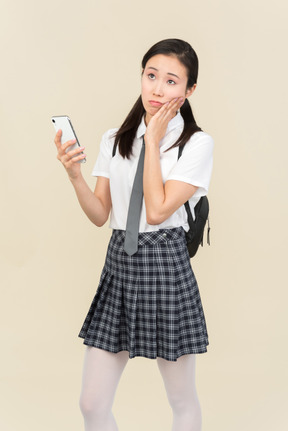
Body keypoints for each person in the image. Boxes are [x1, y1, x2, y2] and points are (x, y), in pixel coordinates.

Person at [54, 38, 213, 431]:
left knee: (181, 399)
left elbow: (158, 211)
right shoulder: (115, 139)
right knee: (91, 403)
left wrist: (154, 141)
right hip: (118, 264)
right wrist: (75, 176)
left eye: (172, 81)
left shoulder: (197, 144)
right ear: (141, 77)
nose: (158, 89)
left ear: (189, 90)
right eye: (151, 76)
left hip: (166, 265)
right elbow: (100, 214)